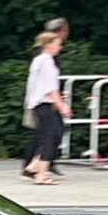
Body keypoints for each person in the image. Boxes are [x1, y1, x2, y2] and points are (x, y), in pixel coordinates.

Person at [20, 20, 71, 184]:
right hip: (45, 103)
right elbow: (50, 88)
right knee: (49, 137)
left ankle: (35, 166)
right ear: (48, 45)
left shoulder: (38, 60)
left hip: (38, 103)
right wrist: (62, 106)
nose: (60, 47)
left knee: (51, 134)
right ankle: (41, 173)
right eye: (57, 44)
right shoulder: (47, 62)